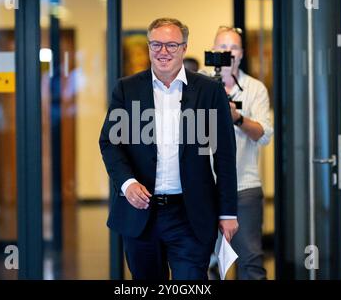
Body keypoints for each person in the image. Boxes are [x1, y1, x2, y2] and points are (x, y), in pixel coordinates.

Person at [99, 18, 239, 280]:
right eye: (156, 44)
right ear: (149, 47)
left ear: (184, 48)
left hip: (190, 213)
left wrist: (228, 211)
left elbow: (225, 154)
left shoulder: (208, 91)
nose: (163, 51)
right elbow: (110, 142)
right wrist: (127, 183)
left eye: (171, 45)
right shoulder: (127, 89)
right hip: (141, 214)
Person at [212, 26, 274, 280]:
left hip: (243, 186)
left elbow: (265, 134)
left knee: (250, 261)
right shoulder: (198, 83)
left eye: (233, 47)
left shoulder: (254, 88)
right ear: (212, 51)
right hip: (204, 186)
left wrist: (237, 118)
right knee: (201, 259)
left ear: (242, 53)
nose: (228, 52)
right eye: (222, 47)